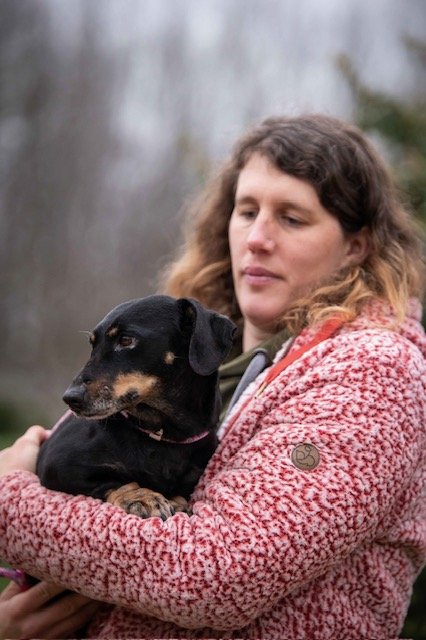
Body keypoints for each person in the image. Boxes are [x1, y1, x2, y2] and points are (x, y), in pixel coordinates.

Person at [0, 114, 425, 639]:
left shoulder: (370, 373)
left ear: (357, 246)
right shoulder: (176, 351)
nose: (257, 238)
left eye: (292, 218)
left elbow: (214, 575)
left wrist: (10, 504)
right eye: (246, 211)